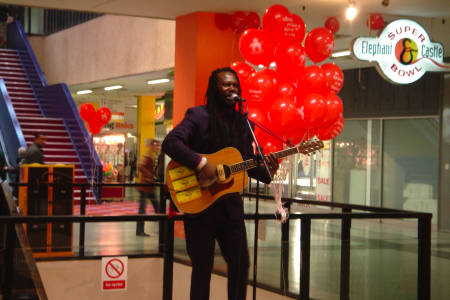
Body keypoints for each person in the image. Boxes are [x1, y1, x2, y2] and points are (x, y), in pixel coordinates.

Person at [161, 67, 279, 300]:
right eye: (226, 84)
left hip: (231, 207)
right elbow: (171, 142)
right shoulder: (198, 116)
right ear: (214, 88)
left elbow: (245, 164)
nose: (232, 88)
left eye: (235, 85)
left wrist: (268, 171)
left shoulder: (244, 124)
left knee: (240, 264)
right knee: (202, 269)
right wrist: (201, 163)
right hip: (200, 204)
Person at [136, 138, 161, 236]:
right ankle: (140, 230)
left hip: (148, 187)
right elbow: (140, 166)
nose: (158, 148)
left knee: (156, 208)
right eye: (156, 146)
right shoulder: (148, 155)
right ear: (152, 146)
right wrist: (149, 175)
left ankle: (162, 227)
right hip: (146, 187)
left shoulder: (150, 155)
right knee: (144, 209)